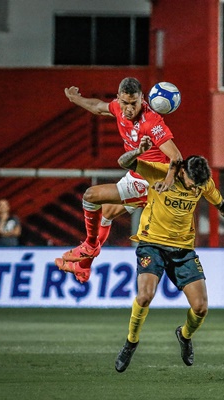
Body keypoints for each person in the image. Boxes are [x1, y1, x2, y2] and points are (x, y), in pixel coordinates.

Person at [99, 138, 224, 372]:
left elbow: (222, 205)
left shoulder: (202, 183)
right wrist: (138, 151)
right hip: (151, 244)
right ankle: (131, 342)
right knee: (145, 296)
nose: (196, 189)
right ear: (182, 170)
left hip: (183, 250)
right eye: (192, 183)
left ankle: (184, 336)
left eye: (199, 186)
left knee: (201, 307)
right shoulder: (159, 173)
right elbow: (124, 162)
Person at [56, 77, 183, 283]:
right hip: (136, 175)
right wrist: (75, 99)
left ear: (142, 98)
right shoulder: (118, 108)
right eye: (125, 103)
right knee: (107, 212)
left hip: (149, 180)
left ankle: (89, 245)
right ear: (118, 98)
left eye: (134, 103)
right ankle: (84, 267)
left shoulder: (151, 122)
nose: (129, 108)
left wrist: (167, 183)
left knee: (91, 195)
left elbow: (177, 157)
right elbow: (98, 107)